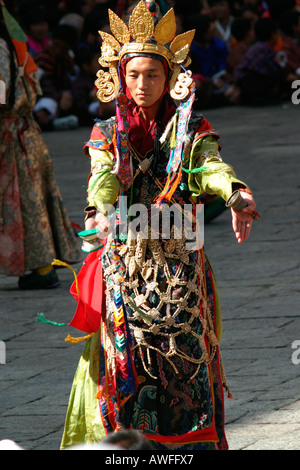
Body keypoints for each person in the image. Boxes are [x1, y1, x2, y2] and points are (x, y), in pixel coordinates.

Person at [60, 1, 258, 451]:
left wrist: (234, 192)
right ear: (118, 78)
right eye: (134, 75)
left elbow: (210, 166)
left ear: (171, 78)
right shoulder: (107, 132)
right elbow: (104, 176)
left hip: (182, 272)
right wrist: (101, 209)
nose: (143, 84)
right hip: (125, 272)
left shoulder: (190, 131)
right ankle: (129, 450)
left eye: (153, 74)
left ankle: (192, 447)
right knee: (128, 365)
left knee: (189, 362)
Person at [0, 1, 81, 289]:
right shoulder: (14, 44)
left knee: (27, 204)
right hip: (23, 132)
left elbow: (1, 93)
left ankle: (42, 269)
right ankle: (42, 267)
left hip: (11, 135)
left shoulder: (0, 48)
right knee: (32, 202)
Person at [233, 17, 287, 105]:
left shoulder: (258, 47)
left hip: (247, 83)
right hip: (249, 85)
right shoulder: (264, 49)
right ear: (273, 35)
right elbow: (274, 68)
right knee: (281, 73)